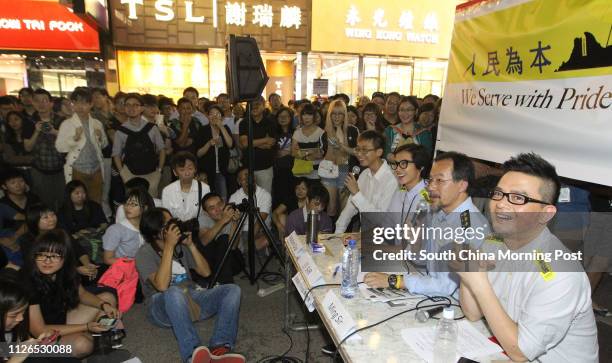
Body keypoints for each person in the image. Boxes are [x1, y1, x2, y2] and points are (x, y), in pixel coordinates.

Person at [458, 153, 598, 362]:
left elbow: (521, 352)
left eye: (518, 198)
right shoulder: (494, 241)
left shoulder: (559, 273)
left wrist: (479, 283)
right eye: (498, 194)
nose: (501, 204)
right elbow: (473, 314)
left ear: (546, 214)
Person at [364, 151, 489, 297]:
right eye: (430, 180)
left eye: (439, 181)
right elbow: (422, 260)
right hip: (429, 289)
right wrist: (416, 242)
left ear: (461, 185)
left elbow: (445, 286)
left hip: (453, 305)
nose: (431, 187)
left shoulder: (470, 226)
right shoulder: (438, 213)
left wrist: (394, 281)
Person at [137, 208, 244, 363]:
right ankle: (192, 354)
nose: (174, 225)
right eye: (168, 224)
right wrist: (169, 247)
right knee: (173, 291)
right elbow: (161, 286)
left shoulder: (181, 245)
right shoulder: (144, 253)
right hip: (161, 307)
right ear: (156, 231)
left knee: (233, 290)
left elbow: (206, 272)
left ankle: (220, 347)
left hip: (191, 297)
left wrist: (191, 245)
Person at [22, 230, 121, 359]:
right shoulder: (27, 281)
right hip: (39, 339)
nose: (47, 261)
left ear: (65, 257)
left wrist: (104, 305)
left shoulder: (66, 271)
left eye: (55, 256)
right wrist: (86, 326)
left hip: (62, 321)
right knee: (82, 344)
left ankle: (98, 342)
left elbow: (83, 294)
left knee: (107, 298)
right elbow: (39, 331)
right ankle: (93, 339)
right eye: (41, 255)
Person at [335, 131, 398, 233]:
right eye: (358, 149)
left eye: (364, 150)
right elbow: (349, 209)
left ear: (379, 152)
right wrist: (337, 234)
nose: (359, 154)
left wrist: (356, 193)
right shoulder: (365, 174)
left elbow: (378, 219)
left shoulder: (391, 179)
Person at [56, 88, 108, 204]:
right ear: (72, 104)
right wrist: (74, 139)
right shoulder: (67, 124)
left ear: (91, 104)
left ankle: (95, 222)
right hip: (77, 168)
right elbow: (60, 147)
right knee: (78, 202)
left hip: (96, 168)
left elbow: (104, 145)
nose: (80, 107)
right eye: (76, 103)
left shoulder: (96, 123)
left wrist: (100, 138)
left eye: (84, 103)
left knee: (96, 200)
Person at [112, 93, 166, 197]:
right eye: (128, 105)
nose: (131, 108)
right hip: (130, 174)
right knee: (133, 204)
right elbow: (116, 154)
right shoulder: (121, 130)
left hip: (152, 174)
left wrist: (159, 171)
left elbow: (162, 150)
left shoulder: (152, 128)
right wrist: (123, 173)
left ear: (142, 108)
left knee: (151, 204)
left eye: (135, 105)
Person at [0, 272, 59, 363]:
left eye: (23, 312)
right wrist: (15, 359)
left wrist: (40, 343)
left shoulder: (15, 327)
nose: (21, 318)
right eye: (13, 315)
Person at [25, 88, 65, 210]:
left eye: (44, 100)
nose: (41, 104)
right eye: (37, 101)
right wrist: (36, 131)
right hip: (40, 171)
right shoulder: (28, 122)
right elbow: (27, 147)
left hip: (61, 170)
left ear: (51, 103)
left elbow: (70, 142)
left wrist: (54, 131)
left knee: (63, 202)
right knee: (45, 203)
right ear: (33, 102)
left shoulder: (61, 120)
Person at [321, 99, 358, 218]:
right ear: (329, 115)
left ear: (344, 115)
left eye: (340, 113)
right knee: (331, 207)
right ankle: (330, 234)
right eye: (334, 113)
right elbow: (325, 157)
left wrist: (341, 146)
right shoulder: (324, 133)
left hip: (346, 170)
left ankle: (342, 234)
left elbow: (357, 152)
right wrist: (333, 148)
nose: (337, 117)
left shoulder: (353, 130)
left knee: (344, 208)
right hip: (329, 170)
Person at [198, 192, 243, 284]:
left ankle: (224, 283)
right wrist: (222, 221)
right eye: (212, 208)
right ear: (206, 212)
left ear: (224, 203)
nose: (218, 209)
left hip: (233, 260)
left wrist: (235, 222)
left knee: (223, 238)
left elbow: (233, 247)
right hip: (214, 261)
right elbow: (203, 241)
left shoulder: (232, 213)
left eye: (219, 204)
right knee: (202, 241)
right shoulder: (203, 218)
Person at [103, 188, 153, 265]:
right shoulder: (115, 230)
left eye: (133, 204)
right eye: (126, 203)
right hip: (124, 273)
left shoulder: (148, 227)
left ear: (145, 208)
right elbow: (108, 259)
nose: (128, 207)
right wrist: (134, 264)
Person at [238, 96, 277, 194]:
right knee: (248, 196)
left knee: (265, 195)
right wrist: (265, 140)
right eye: (251, 105)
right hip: (247, 167)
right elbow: (244, 143)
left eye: (257, 104)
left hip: (265, 167)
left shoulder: (271, 123)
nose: (254, 107)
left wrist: (252, 143)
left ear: (264, 106)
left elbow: (271, 143)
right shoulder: (244, 123)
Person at [229, 167, 272, 250]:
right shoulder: (234, 197)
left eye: (249, 177)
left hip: (260, 230)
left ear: (254, 178)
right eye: (244, 179)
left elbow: (260, 221)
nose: (248, 181)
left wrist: (249, 241)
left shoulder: (265, 195)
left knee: (266, 240)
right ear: (239, 182)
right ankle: (247, 249)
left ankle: (245, 249)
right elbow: (232, 222)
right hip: (241, 231)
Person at [162, 152, 210, 224]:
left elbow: (207, 214)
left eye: (190, 168)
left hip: (198, 229)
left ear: (195, 169)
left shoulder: (205, 188)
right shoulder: (167, 191)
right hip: (176, 230)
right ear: (175, 172)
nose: (187, 173)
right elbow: (166, 217)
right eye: (182, 170)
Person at [197, 104, 233, 200]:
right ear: (207, 116)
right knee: (206, 199)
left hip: (222, 171)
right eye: (211, 114)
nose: (214, 116)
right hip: (206, 172)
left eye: (217, 114)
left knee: (223, 198)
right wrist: (209, 144)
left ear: (222, 116)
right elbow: (198, 153)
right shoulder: (203, 130)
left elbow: (230, 144)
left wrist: (221, 127)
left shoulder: (225, 128)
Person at [386, 143, 431, 217]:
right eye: (396, 164)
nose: (397, 169)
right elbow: (388, 221)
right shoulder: (400, 191)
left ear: (420, 166)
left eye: (403, 164)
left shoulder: (429, 198)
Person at [291, 103, 325, 180]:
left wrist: (302, 152)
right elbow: (294, 153)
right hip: (300, 171)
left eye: (309, 115)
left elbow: (321, 153)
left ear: (314, 116)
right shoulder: (297, 132)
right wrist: (311, 152)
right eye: (304, 115)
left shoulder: (321, 132)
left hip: (316, 172)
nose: (306, 118)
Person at [272, 107, 296, 214]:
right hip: (278, 170)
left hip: (293, 170)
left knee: (291, 196)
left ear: (291, 118)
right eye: (280, 116)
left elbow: (301, 150)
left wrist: (288, 152)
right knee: (279, 196)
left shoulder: (296, 132)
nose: (283, 118)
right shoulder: (273, 133)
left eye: (286, 116)